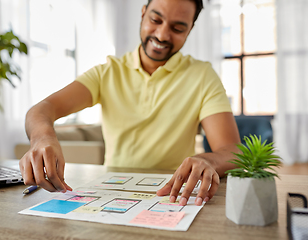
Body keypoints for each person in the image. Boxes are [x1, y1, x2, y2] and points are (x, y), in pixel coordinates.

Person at [19, 0, 240, 207]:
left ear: (190, 30)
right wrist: (43, 137)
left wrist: (207, 160)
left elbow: (233, 150)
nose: (162, 34)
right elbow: (41, 110)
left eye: (178, 28)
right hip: (114, 193)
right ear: (143, 14)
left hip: (172, 196)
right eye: (155, 20)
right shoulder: (107, 73)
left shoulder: (203, 76)